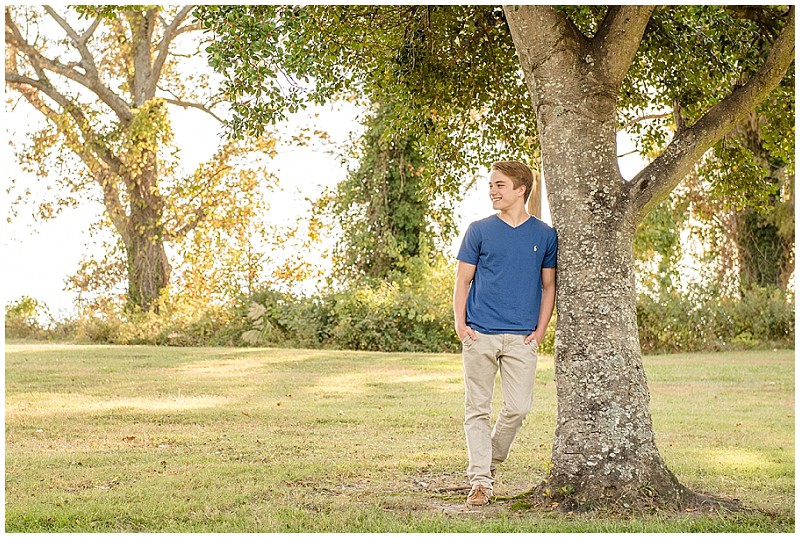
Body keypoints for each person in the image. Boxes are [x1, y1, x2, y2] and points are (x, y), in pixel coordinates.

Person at [453, 161, 557, 506]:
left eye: (500, 185)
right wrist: (460, 324)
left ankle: (489, 461)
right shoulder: (479, 230)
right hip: (479, 334)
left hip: (521, 338)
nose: (493, 191)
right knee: (477, 409)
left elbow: (548, 286)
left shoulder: (544, 235)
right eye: (491, 185)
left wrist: (540, 331)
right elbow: (463, 280)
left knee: (518, 408)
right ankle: (480, 481)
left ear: (520, 189)